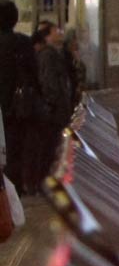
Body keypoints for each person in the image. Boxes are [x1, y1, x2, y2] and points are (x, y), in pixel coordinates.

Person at [26, 24, 71, 194]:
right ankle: (43, 184)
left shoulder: (54, 54)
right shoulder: (48, 55)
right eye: (55, 31)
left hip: (55, 111)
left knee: (50, 148)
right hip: (53, 112)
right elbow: (49, 82)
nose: (59, 33)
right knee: (48, 149)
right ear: (47, 36)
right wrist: (52, 103)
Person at [0, 2, 28, 192]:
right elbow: (34, 75)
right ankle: (15, 187)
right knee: (17, 147)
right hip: (19, 106)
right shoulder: (23, 43)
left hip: (2, 104)